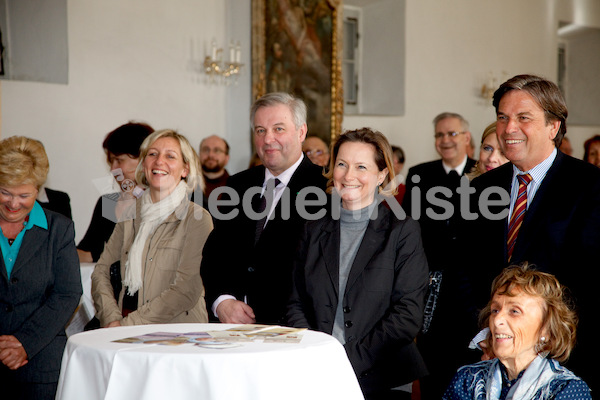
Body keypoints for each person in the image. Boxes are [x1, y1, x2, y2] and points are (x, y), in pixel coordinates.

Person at [468, 74, 600, 390]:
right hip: (490, 356)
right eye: (502, 117)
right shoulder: (482, 188)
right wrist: (488, 335)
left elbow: (590, 279)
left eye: (523, 118)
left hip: (564, 359)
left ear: (553, 127)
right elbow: (467, 269)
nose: (509, 128)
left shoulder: (590, 186)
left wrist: (539, 339)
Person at [287, 128, 429, 399]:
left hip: (381, 376)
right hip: (316, 371)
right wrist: (316, 351)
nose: (348, 175)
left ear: (382, 174)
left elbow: (407, 315)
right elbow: (296, 301)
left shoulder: (402, 230)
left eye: (361, 167)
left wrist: (346, 360)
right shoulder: (313, 228)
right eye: (342, 164)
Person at [201, 92, 327, 325]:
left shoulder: (325, 189)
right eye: (260, 130)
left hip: (293, 329)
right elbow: (215, 252)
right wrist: (222, 301)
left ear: (301, 132)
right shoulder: (238, 185)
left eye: (278, 129)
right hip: (231, 329)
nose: (268, 139)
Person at [91, 129, 213, 326]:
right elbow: (101, 271)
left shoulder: (197, 219)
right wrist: (112, 318)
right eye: (152, 154)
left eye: (170, 156)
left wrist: (128, 324)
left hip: (178, 335)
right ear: (143, 164)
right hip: (124, 328)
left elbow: (186, 290)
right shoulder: (130, 214)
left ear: (185, 169)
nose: (159, 162)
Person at [402, 112, 478, 400]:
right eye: (439, 135)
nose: (445, 140)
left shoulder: (483, 172)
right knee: (431, 358)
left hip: (468, 284)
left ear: (466, 138)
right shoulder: (419, 174)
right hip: (430, 281)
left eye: (452, 134)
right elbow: (410, 228)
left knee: (466, 357)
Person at [0, 136, 82, 400]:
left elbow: (67, 294)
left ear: (38, 189)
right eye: (4, 192)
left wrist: (25, 342)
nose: (13, 204)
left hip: (40, 364)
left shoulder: (59, 229)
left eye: (24, 195)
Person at [443, 264, 591, 400]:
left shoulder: (566, 390)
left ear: (546, 330)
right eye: (495, 310)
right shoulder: (467, 380)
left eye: (514, 311)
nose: (496, 320)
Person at [77, 121, 154, 262]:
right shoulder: (107, 202)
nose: (113, 169)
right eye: (111, 161)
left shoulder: (160, 202)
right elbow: (88, 251)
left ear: (143, 160)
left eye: (119, 160)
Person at [199, 135, 230, 200]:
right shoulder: (188, 185)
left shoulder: (236, 186)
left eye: (217, 150)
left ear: (227, 158)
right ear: (199, 154)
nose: (210, 155)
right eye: (206, 150)